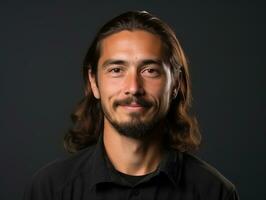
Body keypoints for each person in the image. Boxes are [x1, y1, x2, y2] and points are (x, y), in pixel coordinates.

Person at [23, 10, 239, 200]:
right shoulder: (49, 190)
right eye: (116, 70)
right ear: (93, 82)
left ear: (176, 84)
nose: (134, 87)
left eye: (150, 70)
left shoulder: (214, 192)